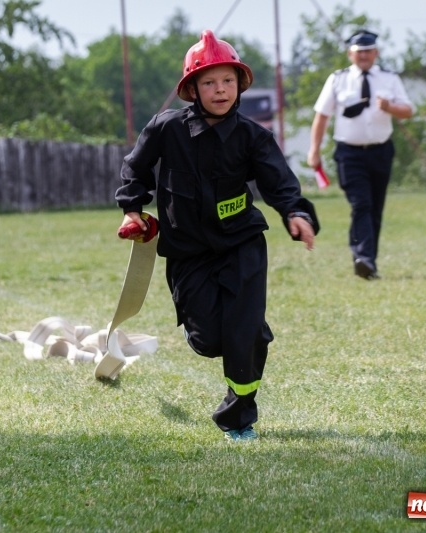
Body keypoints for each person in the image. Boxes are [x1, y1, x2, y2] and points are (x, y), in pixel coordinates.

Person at [115, 30, 319, 442]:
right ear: (192, 89)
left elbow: (280, 182)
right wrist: (133, 209)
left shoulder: (253, 137)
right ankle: (245, 336)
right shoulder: (165, 129)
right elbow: (135, 169)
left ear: (240, 84)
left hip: (241, 243)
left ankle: (238, 416)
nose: (219, 89)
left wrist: (296, 212)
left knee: (243, 332)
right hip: (188, 252)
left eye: (227, 80)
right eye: (209, 82)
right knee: (209, 341)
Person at [307, 30, 413, 280]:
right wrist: (314, 150)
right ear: (350, 54)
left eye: (368, 51)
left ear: (375, 53)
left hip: (380, 151)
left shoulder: (390, 79)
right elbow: (322, 116)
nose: (363, 55)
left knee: (375, 207)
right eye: (359, 51)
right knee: (361, 203)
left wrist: (390, 107)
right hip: (349, 153)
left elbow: (408, 110)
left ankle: (368, 263)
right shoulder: (338, 79)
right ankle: (362, 257)